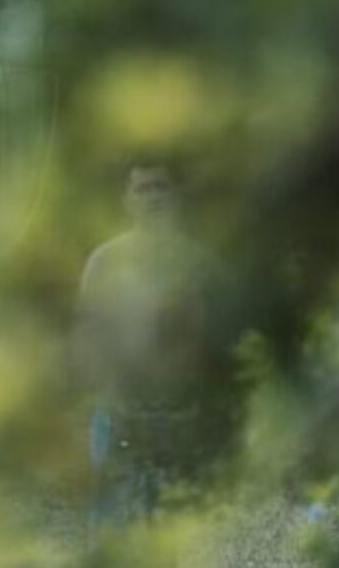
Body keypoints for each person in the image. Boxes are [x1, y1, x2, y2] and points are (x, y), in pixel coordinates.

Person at [74, 158, 234, 529]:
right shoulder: (105, 262)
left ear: (177, 195)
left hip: (185, 415)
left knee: (183, 528)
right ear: (127, 199)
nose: (153, 197)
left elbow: (220, 343)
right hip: (118, 414)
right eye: (143, 188)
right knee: (113, 531)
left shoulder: (200, 265)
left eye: (161, 187)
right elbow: (86, 337)